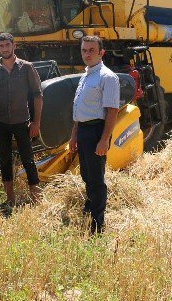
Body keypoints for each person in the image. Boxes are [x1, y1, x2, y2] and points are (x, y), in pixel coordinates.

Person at [0, 33, 43, 207]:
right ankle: (10, 199)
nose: (4, 49)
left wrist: (36, 122)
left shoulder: (26, 68)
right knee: (5, 160)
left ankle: (36, 199)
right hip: (1, 123)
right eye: (1, 46)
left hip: (22, 121)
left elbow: (37, 96)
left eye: (7, 45)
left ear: (14, 46)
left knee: (28, 159)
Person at [68, 35, 120, 234]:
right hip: (83, 130)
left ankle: (97, 224)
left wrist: (104, 139)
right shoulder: (86, 75)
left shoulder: (107, 77)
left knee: (97, 178)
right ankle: (89, 209)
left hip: (97, 130)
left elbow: (112, 111)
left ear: (101, 52)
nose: (87, 54)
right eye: (84, 50)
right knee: (86, 174)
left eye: (91, 50)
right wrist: (74, 135)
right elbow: (79, 110)